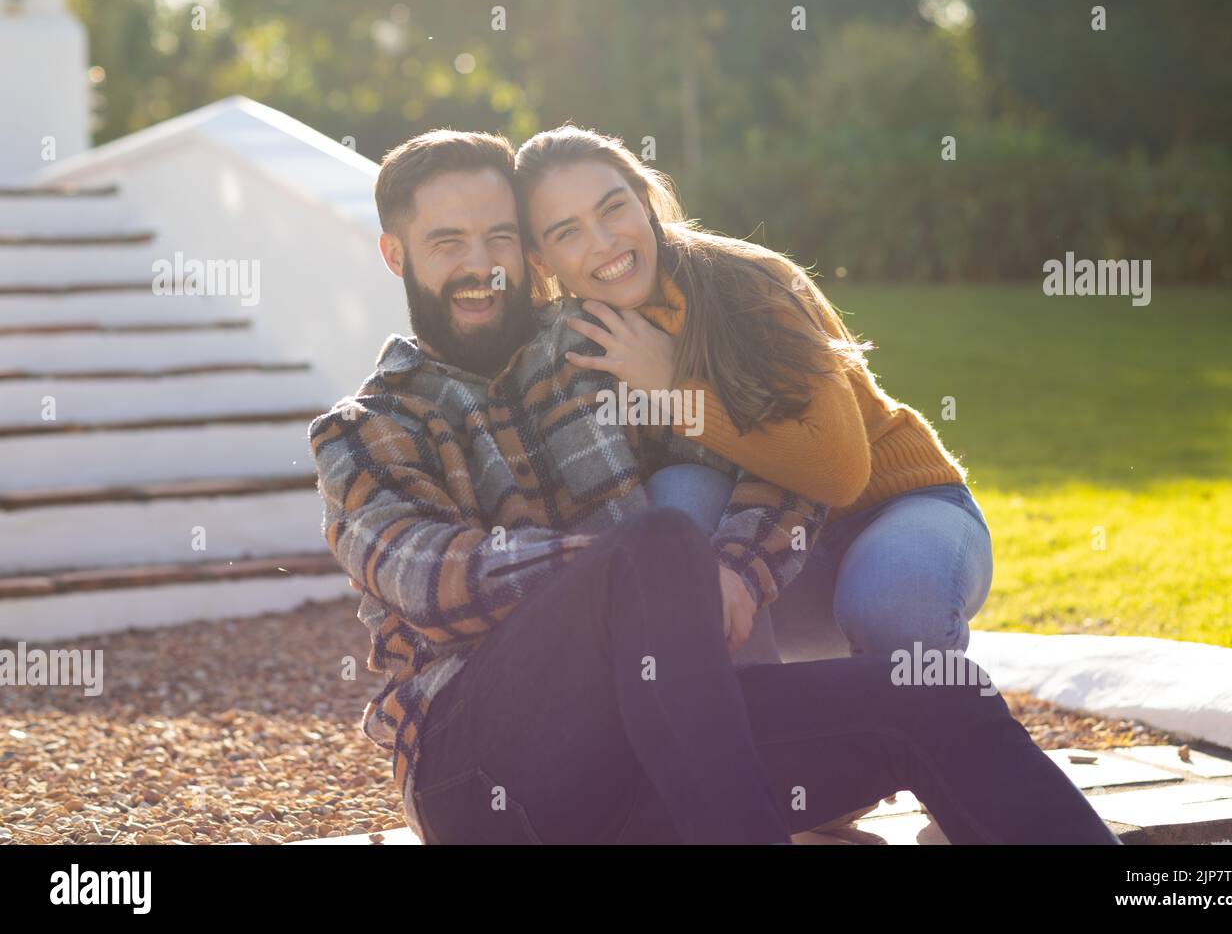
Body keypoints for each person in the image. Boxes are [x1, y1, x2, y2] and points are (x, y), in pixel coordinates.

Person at [309, 127, 1121, 844]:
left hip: (663, 756)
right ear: (397, 254)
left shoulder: (597, 347)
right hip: (489, 784)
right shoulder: (366, 426)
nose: (480, 265)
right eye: (448, 242)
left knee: (935, 699)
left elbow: (774, 470)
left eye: (497, 237)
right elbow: (427, 578)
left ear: (526, 252)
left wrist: (733, 566)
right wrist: (644, 579)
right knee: (659, 542)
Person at [514, 125, 993, 666]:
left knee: (891, 603)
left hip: (893, 509)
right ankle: (762, 733)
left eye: (612, 208)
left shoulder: (748, 284)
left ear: (645, 201)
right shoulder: (566, 349)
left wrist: (675, 389)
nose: (604, 243)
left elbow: (840, 472)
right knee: (681, 495)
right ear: (540, 259)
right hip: (775, 560)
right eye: (567, 232)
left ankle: (948, 738)